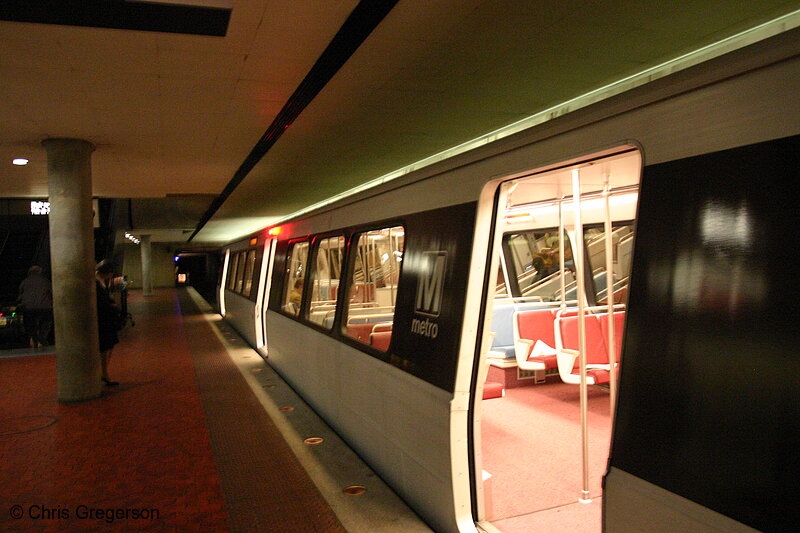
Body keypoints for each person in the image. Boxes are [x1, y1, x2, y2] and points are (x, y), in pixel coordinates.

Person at [95, 260, 120, 387]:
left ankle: (104, 372)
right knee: (106, 346)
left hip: (105, 317)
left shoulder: (99, 281)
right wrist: (113, 307)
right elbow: (101, 302)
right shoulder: (96, 283)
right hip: (103, 318)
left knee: (107, 346)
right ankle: (103, 373)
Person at [17, 265, 53, 350]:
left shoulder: (25, 282)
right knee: (46, 322)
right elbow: (51, 292)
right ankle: (42, 338)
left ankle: (34, 338)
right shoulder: (45, 281)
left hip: (29, 308)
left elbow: (20, 296)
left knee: (30, 324)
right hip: (45, 306)